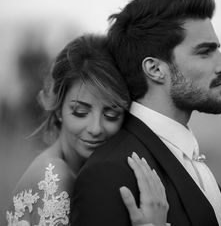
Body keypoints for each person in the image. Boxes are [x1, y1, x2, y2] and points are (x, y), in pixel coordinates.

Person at [70, 0, 221, 226]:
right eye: (205, 52)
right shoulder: (110, 173)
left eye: (217, 49)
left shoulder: (189, 155)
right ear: (155, 69)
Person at [5, 34, 168, 226]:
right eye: (80, 112)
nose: (96, 128)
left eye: (111, 115)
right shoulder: (54, 178)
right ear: (58, 109)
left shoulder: (92, 171)